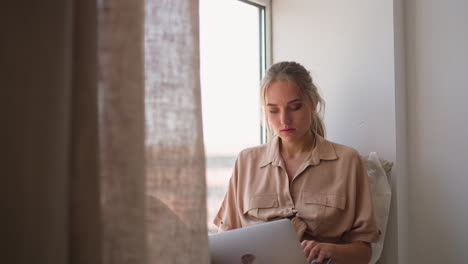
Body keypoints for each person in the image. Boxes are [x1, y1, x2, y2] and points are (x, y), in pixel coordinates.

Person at [213, 61, 380, 264]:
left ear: (313, 102)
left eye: (294, 107)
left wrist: (329, 250)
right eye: (273, 110)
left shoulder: (348, 161)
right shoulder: (247, 162)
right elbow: (224, 242)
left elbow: (364, 253)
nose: (284, 120)